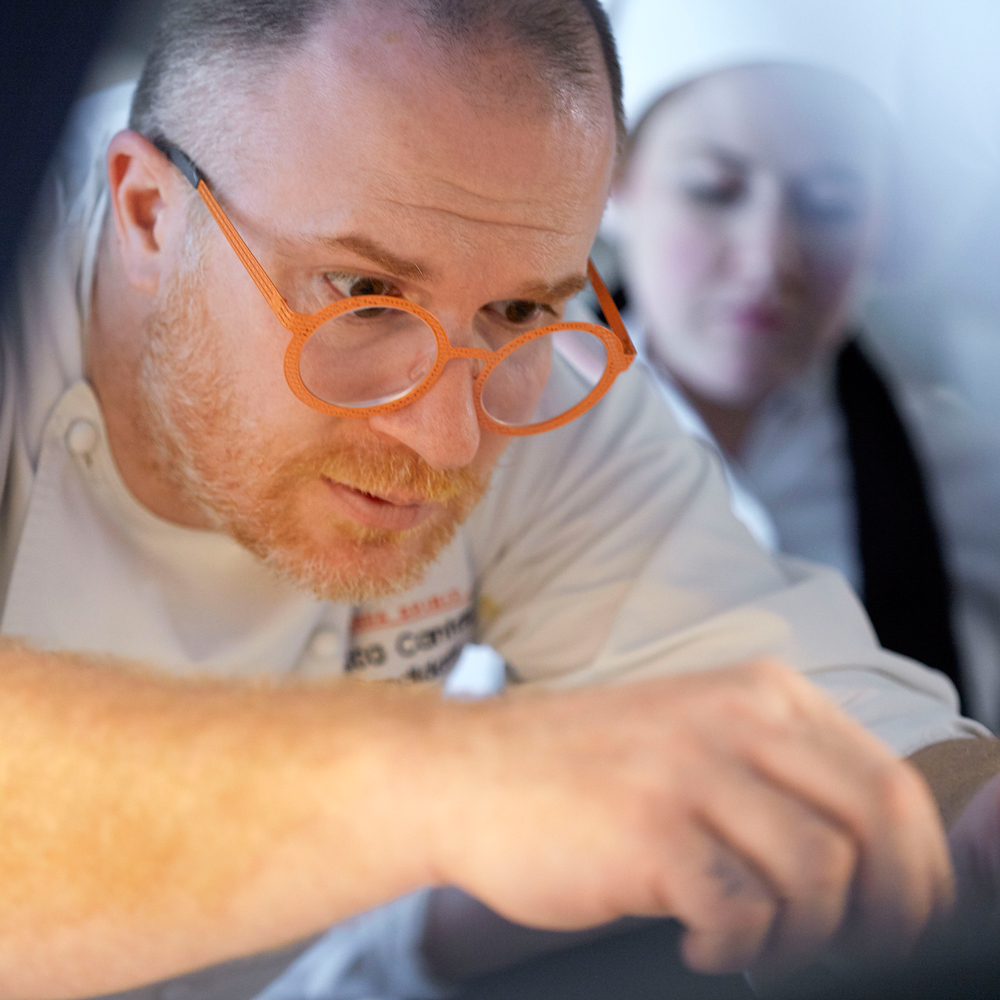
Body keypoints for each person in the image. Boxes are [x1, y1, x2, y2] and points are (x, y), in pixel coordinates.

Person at [2, 4, 1000, 997]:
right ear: (145, 213)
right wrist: (454, 786)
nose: (447, 435)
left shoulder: (540, 391)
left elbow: (798, 693)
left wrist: (965, 827)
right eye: (361, 293)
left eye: (519, 307)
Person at [613, 60, 1000, 730]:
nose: (770, 258)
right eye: (714, 189)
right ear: (616, 185)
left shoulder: (966, 481)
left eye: (829, 204)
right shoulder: (501, 442)